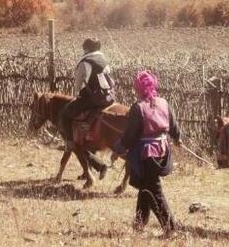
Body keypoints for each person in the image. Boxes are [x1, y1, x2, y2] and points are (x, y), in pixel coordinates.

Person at [116, 70, 180, 234]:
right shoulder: (164, 103)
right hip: (163, 151)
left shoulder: (138, 108)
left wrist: (118, 149)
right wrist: (177, 138)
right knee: (146, 186)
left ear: (138, 89)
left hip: (147, 154)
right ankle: (139, 224)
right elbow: (173, 126)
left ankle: (170, 228)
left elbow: (130, 135)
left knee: (155, 189)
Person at [58, 38, 114, 177]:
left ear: (86, 49)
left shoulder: (85, 63)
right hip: (107, 99)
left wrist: (77, 95)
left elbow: (78, 85)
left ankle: (70, 141)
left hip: (91, 100)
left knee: (64, 114)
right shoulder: (104, 61)